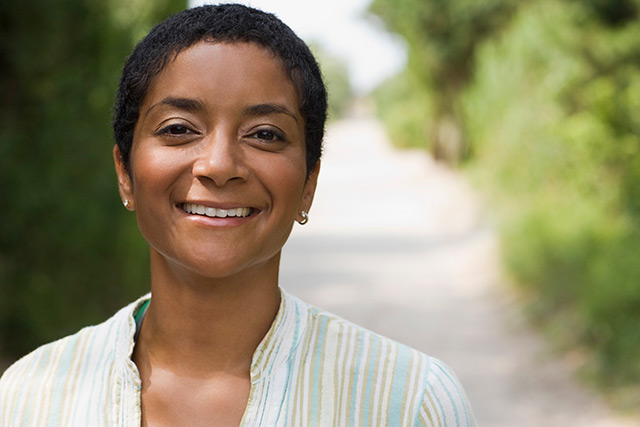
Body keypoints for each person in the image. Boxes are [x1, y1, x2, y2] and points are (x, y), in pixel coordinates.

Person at [0, 4, 476, 426]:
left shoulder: (410, 402)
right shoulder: (28, 399)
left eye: (265, 134)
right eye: (179, 128)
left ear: (309, 182)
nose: (219, 165)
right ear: (125, 171)